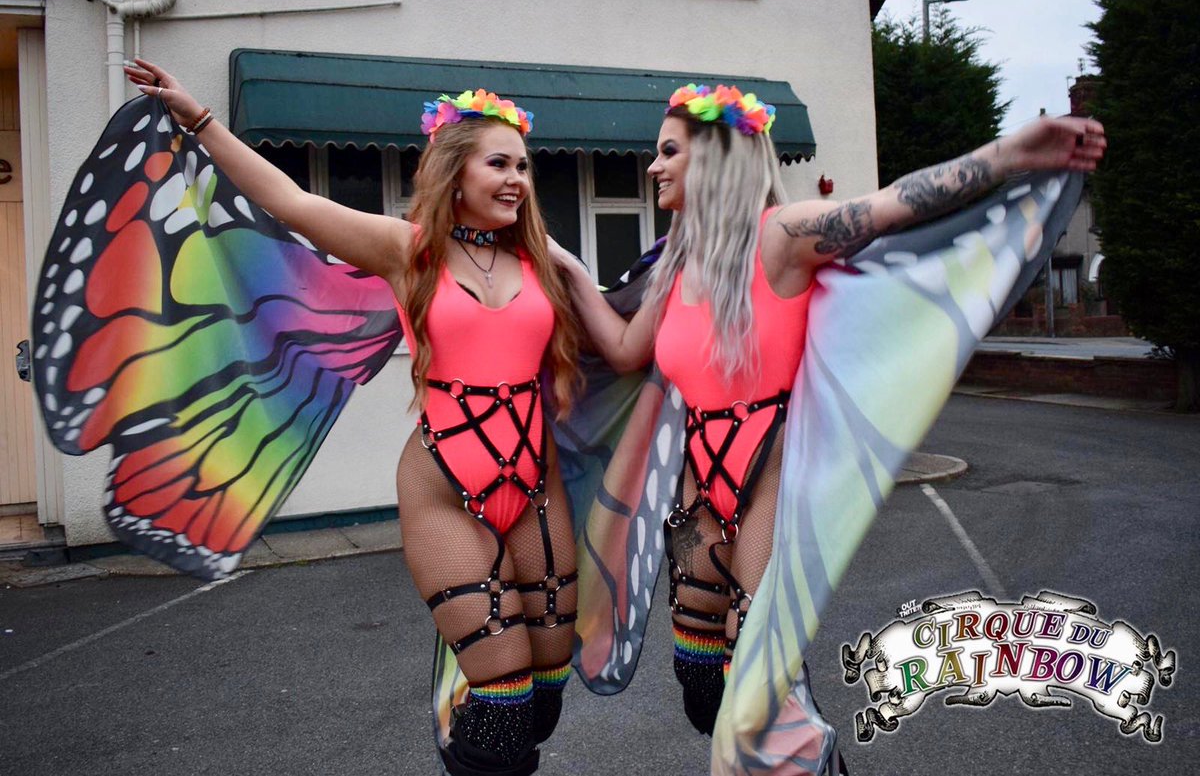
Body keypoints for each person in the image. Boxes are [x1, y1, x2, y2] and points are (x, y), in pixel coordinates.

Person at [551, 83, 1105, 765]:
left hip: (769, 487)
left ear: (718, 157)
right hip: (698, 503)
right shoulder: (673, 264)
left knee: (757, 699)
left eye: (669, 151)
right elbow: (627, 350)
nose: (654, 167)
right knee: (703, 687)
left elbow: (894, 203)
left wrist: (1009, 154)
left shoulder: (782, 237)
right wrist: (572, 269)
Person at [125, 60, 582, 776]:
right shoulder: (410, 251)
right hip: (445, 488)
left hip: (536, 489)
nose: (516, 178)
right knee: (504, 708)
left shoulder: (539, 257)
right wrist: (200, 119)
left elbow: (618, 327)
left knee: (548, 690)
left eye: (523, 164)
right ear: (455, 170)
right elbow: (290, 200)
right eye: (499, 163)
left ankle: (473, 698)